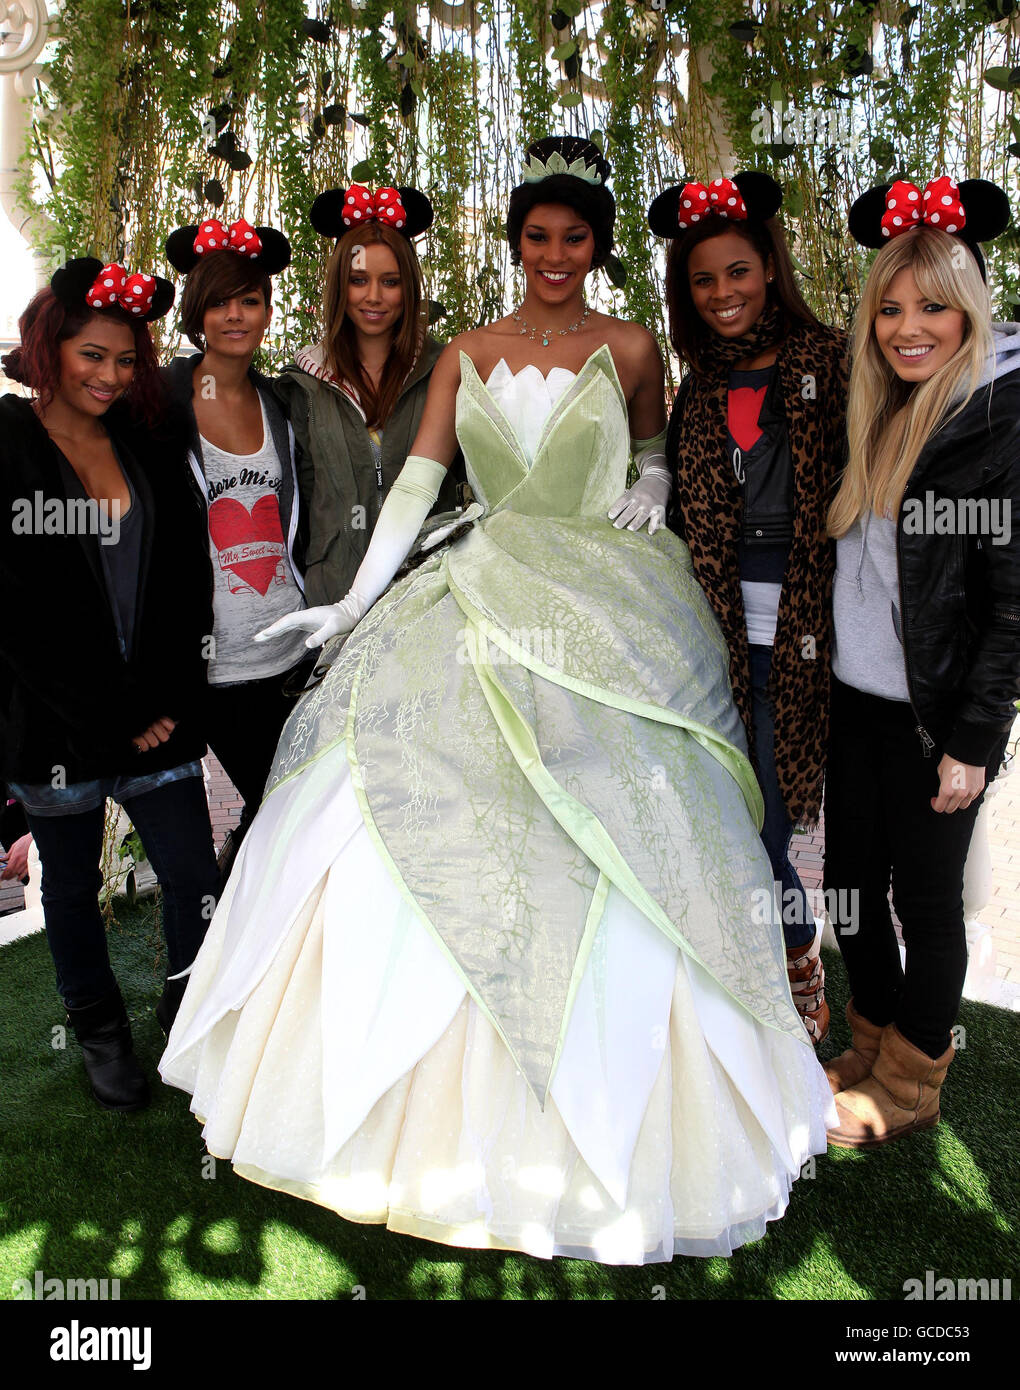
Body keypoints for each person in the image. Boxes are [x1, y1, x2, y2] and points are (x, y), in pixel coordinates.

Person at [161, 137, 833, 1263]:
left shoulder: (629, 345)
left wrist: (655, 480)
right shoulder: (467, 348)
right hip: (475, 579)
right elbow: (420, 483)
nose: (555, 255)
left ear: (598, 250)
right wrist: (352, 604)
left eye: (575, 238)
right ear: (513, 243)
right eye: (538, 237)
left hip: (609, 595)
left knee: (625, 804)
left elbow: (661, 449)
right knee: (403, 782)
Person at [822, 177, 1019, 1146]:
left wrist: (973, 739)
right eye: (891, 307)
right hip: (856, 702)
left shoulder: (999, 422)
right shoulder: (883, 407)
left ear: (970, 308)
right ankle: (874, 1038)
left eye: (933, 306)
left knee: (926, 900)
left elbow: (1012, 606)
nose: (909, 327)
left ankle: (912, 1083)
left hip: (934, 716)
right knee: (850, 885)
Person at [0, 258, 221, 1110]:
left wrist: (163, 700)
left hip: (156, 719)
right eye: (94, 355)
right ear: (50, 348)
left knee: (194, 879)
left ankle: (185, 1014)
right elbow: (16, 612)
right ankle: (98, 1034)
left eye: (127, 360)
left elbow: (182, 581)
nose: (112, 376)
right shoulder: (8, 442)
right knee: (70, 885)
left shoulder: (146, 440)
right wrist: (115, 712)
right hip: (57, 727)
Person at [649, 173, 849, 1044]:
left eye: (738, 271)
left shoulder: (830, 362)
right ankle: (751, 980)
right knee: (721, 822)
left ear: (769, 268)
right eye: (703, 280)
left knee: (762, 833)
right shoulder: (694, 389)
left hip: (805, 640)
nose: (723, 292)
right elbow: (687, 521)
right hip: (716, 641)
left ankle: (797, 963)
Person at [164, 219, 311, 874]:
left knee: (297, 800)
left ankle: (247, 918)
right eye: (220, 301)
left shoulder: (280, 401)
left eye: (249, 300)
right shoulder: (162, 401)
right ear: (196, 310)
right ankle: (228, 915)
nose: (235, 315)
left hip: (293, 647)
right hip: (218, 665)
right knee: (277, 804)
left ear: (266, 309)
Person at [274, 183, 466, 608]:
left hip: (430, 594)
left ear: (410, 287)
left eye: (390, 281)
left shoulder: (448, 370)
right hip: (334, 593)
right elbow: (298, 504)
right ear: (340, 285)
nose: (374, 297)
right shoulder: (301, 384)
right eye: (358, 280)